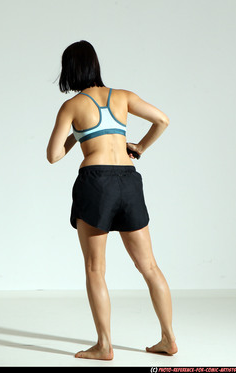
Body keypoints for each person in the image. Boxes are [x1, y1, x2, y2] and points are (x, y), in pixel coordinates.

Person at [46, 40, 177, 360]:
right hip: (128, 180)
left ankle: (104, 346)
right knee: (149, 266)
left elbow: (53, 156)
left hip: (95, 183)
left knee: (95, 269)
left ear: (70, 70)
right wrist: (141, 147)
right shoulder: (123, 96)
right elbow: (162, 120)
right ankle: (168, 339)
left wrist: (79, 134)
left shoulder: (72, 106)